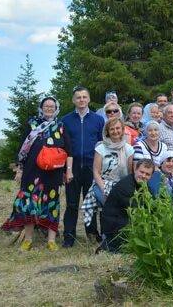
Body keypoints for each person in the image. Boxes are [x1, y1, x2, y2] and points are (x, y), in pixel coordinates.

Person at [2, 96, 72, 251]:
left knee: (52, 204)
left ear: (56, 108)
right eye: (46, 106)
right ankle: (28, 240)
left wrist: (67, 171)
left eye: (52, 106)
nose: (49, 109)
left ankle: (51, 240)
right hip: (32, 172)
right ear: (41, 108)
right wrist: (19, 170)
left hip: (53, 173)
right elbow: (22, 149)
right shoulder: (32, 124)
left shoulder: (60, 126)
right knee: (29, 204)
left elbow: (68, 150)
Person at [61, 86, 104, 248]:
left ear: (89, 99)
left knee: (90, 203)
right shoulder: (65, 120)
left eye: (84, 97)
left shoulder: (98, 120)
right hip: (72, 167)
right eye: (78, 97)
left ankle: (91, 234)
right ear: (73, 100)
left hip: (91, 167)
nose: (81, 100)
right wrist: (65, 170)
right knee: (72, 203)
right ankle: (69, 237)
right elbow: (62, 146)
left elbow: (101, 143)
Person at [83, 118, 135, 240]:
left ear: (122, 130)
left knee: (122, 207)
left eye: (118, 128)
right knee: (109, 205)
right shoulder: (101, 148)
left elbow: (129, 172)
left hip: (121, 184)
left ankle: (119, 235)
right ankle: (106, 235)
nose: (115, 131)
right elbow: (96, 172)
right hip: (102, 183)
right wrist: (103, 189)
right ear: (107, 132)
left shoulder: (129, 149)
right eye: (112, 129)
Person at [99, 159, 155, 252]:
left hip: (124, 220)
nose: (143, 176)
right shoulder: (126, 186)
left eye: (147, 174)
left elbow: (152, 205)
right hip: (114, 225)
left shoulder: (144, 185)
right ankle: (108, 245)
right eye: (141, 172)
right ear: (135, 170)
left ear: (151, 176)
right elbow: (137, 211)